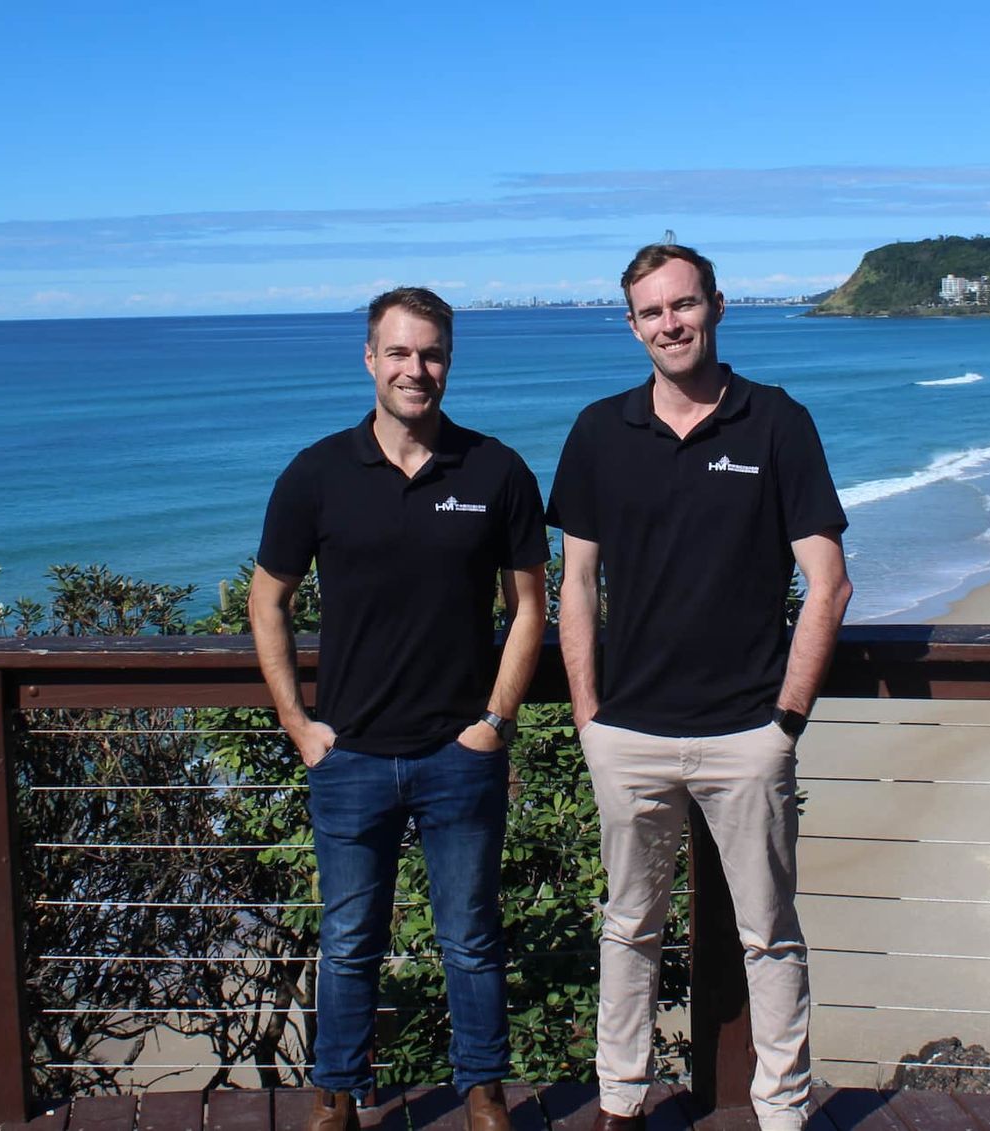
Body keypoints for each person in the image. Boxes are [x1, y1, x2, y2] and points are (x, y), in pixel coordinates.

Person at [548, 244, 852, 1131]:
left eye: (683, 305)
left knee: (770, 934)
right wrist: (588, 714)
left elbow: (827, 581)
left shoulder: (775, 422)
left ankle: (783, 1110)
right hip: (630, 734)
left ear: (716, 307)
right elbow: (576, 582)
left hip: (744, 735)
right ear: (633, 325)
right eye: (652, 312)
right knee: (628, 929)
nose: (670, 323)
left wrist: (784, 720)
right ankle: (621, 1104)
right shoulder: (600, 431)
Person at [250, 287, 549, 1131]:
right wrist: (297, 725)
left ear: (449, 360)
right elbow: (266, 599)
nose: (417, 370)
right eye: (400, 353)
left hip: (460, 753)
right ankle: (336, 1095)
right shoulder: (317, 473)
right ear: (371, 360)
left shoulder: (496, 470)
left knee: (471, 936)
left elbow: (531, 604)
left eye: (432, 354)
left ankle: (484, 1089)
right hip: (347, 755)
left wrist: (494, 720)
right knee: (349, 942)